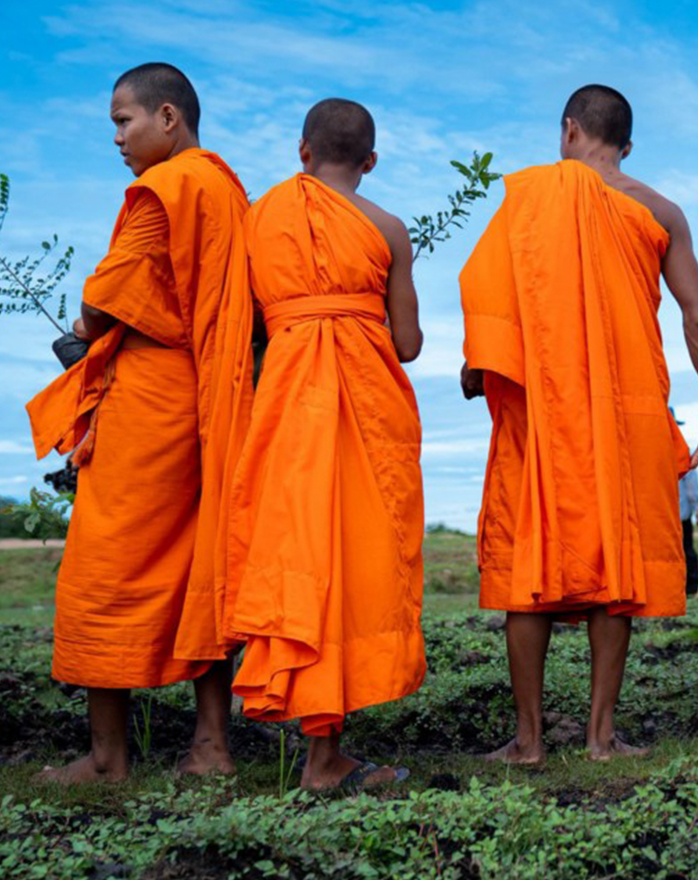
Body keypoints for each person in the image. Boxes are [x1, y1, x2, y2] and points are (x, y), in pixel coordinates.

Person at [459, 84, 698, 763]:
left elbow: (486, 290)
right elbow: (697, 315)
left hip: (540, 406)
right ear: (628, 145)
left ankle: (527, 741)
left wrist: (480, 367)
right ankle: (601, 736)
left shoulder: (528, 198)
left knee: (532, 558)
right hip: (626, 407)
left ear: (568, 130)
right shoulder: (659, 209)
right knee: (616, 563)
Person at [25, 62, 254, 783]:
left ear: (167, 117)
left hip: (150, 400)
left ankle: (107, 757)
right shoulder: (226, 190)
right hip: (207, 396)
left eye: (123, 122)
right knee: (200, 565)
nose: (117, 139)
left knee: (104, 566)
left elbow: (105, 301)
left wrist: (87, 325)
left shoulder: (165, 190)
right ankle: (211, 746)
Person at [223, 99, 426, 790]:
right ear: (370, 162)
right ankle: (324, 755)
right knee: (357, 561)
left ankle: (308, 739)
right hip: (366, 413)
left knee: (299, 551)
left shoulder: (262, 218)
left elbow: (234, 321)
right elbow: (407, 343)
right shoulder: (388, 229)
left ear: (301, 151)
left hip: (285, 407)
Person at [678, 457, 698, 599]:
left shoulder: (682, 455)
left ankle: (690, 586)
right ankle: (685, 585)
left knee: (686, 549)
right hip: (674, 512)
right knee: (685, 549)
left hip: (680, 513)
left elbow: (691, 486)